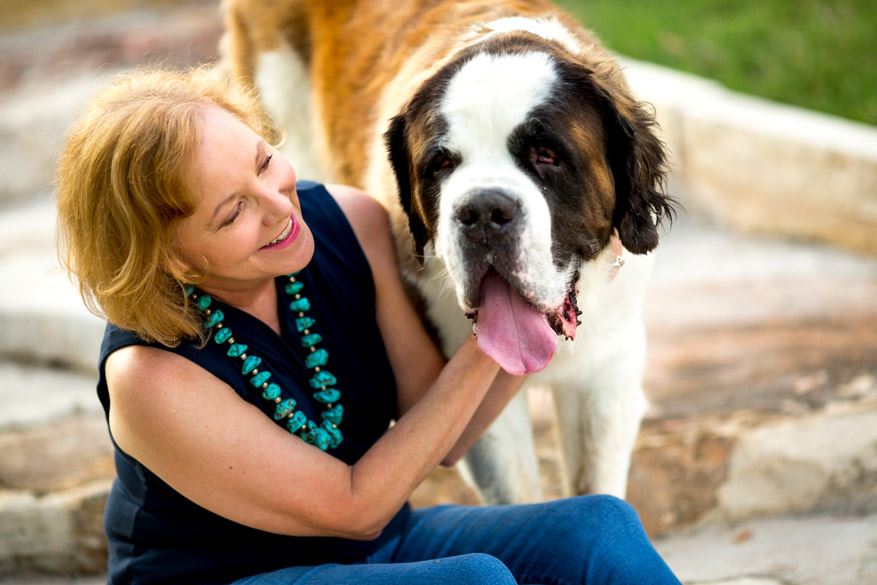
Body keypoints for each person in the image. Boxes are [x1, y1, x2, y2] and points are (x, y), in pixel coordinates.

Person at [55, 67, 682, 585]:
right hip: (234, 577)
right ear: (169, 256)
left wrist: (551, 291)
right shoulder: (149, 376)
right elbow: (355, 507)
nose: (280, 206)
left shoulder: (349, 222)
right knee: (473, 583)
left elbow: (446, 432)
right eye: (233, 212)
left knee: (598, 527)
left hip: (379, 547)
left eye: (264, 161)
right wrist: (498, 323)